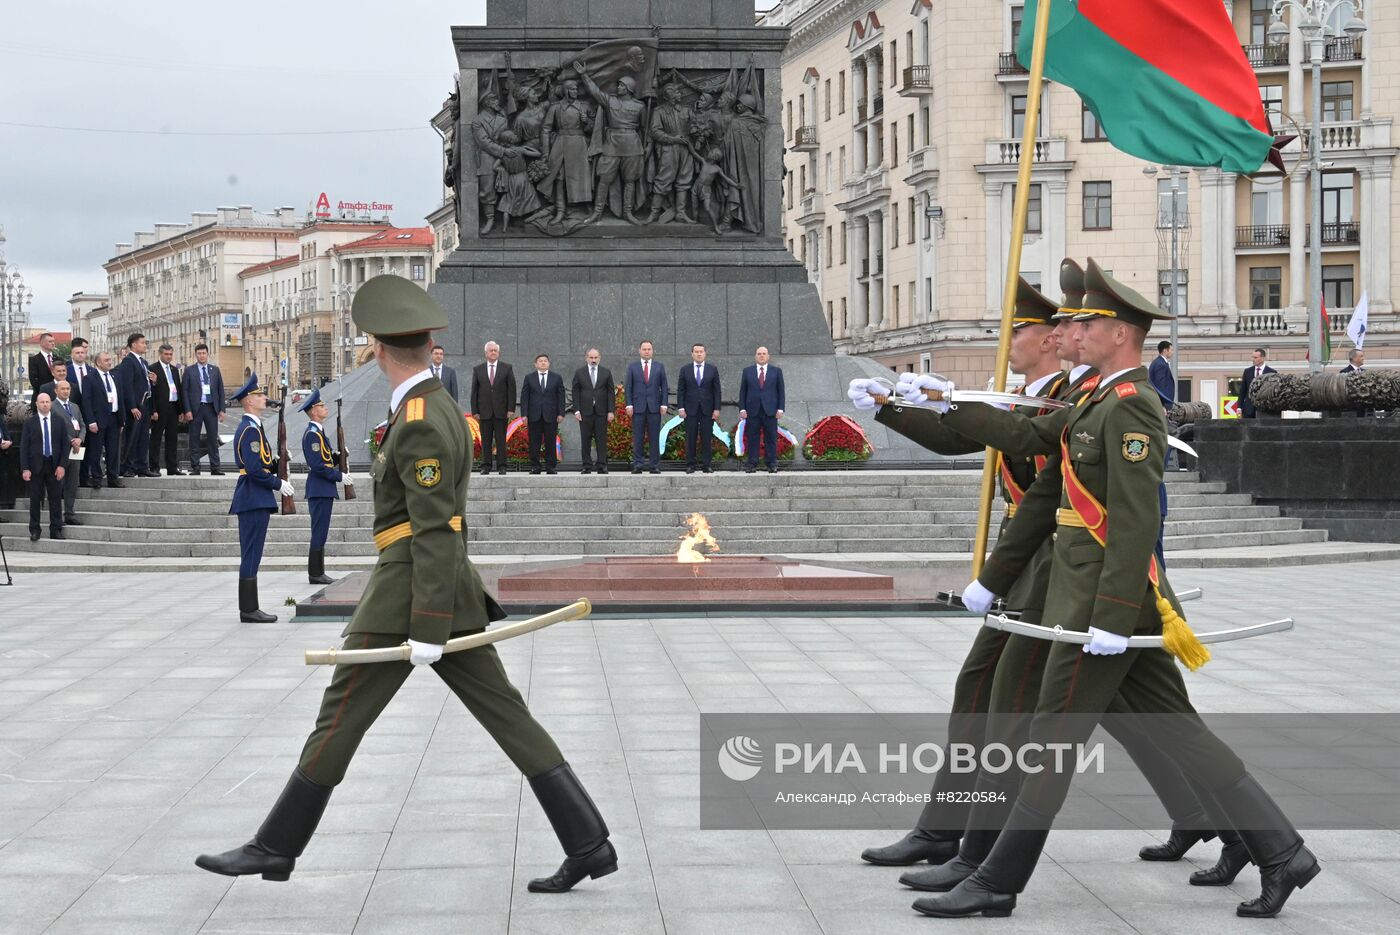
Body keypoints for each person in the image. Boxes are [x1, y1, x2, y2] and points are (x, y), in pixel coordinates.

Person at [909, 260, 1319, 920]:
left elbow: (1135, 520)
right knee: (1180, 734)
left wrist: (1113, 614)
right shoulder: (1096, 400)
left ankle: (996, 879)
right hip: (1093, 602)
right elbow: (1034, 456)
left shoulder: (1132, 409)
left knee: (1051, 741)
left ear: (1120, 333)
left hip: (1103, 608)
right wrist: (944, 402)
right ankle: (1280, 849)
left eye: (1086, 321)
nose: (1073, 329)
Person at [195, 274, 618, 894]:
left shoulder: (419, 418)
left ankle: (275, 845)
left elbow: (435, 527)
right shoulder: (433, 406)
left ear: (380, 350)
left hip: (409, 587)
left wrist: (424, 626)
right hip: (438, 584)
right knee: (505, 712)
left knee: (340, 711)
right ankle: (588, 843)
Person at [854, 266, 1225, 887]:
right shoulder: (1067, 395)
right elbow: (974, 438)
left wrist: (943, 403)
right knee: (1133, 708)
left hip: (1063, 572)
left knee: (1016, 702)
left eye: (1019, 329)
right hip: (1047, 571)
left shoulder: (1086, 399)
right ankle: (1217, 819)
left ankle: (971, 850)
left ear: (1051, 338)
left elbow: (1052, 464)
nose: (1010, 340)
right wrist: (901, 407)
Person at [228, 373, 289, 623]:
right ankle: (249, 609)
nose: (265, 398)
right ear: (249, 401)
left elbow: (261, 462)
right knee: (251, 553)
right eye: (260, 395)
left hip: (256, 496)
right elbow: (253, 470)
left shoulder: (254, 428)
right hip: (253, 496)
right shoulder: (250, 430)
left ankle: (250, 607)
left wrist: (278, 463)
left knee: (253, 553)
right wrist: (278, 483)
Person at [574, 61, 646, 225]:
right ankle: (597, 212)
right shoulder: (610, 101)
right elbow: (595, 91)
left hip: (632, 146)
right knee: (604, 179)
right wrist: (584, 74)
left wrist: (645, 146)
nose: (618, 88)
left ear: (628, 88)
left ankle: (628, 213)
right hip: (612, 145)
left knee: (630, 181)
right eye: (618, 85)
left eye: (621, 85)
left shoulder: (640, 106)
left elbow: (643, 127)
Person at [300, 388, 350, 585]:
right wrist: (339, 476)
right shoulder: (312, 435)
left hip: (324, 488)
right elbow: (318, 466)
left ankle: (318, 571)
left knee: (322, 530)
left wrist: (340, 456)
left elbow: (326, 459)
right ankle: (315, 573)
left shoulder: (319, 434)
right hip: (319, 488)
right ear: (313, 411)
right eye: (321, 405)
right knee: (319, 530)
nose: (325, 408)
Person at [20, 391, 69, 541]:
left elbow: (64, 446)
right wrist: (25, 468)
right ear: (36, 404)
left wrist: (62, 466)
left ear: (51, 403)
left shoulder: (59, 421)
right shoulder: (30, 423)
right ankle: (35, 530)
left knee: (55, 498)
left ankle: (56, 529)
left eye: (47, 402)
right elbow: (24, 447)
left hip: (53, 465)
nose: (45, 404)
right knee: (35, 499)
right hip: (36, 466)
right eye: (42, 402)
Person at [647, 82, 695, 224]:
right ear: (670, 95)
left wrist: (696, 130)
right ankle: (654, 213)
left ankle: (680, 213)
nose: (680, 94)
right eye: (677, 92)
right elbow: (655, 131)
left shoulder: (686, 110)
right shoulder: (659, 111)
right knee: (663, 179)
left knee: (684, 179)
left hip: (686, 147)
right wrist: (672, 139)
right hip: (669, 147)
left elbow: (696, 124)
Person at [470, 341, 516, 475]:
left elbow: (511, 390)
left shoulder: (507, 368)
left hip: (501, 411)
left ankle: (502, 466)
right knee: (486, 440)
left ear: (498, 353)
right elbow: (474, 391)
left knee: (501, 440)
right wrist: (475, 410)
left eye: (495, 350)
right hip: (484, 412)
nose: (493, 352)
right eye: (491, 350)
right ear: (486, 353)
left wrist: (511, 409)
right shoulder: (478, 369)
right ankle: (486, 465)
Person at [676, 343, 721, 474]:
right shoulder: (685, 369)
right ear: (692, 354)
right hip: (690, 409)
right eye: (696, 351)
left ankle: (706, 465)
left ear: (705, 353)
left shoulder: (712, 369)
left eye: (701, 351)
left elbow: (716, 390)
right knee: (691, 438)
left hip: (708, 409)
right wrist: (681, 408)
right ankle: (690, 465)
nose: (699, 354)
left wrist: (717, 408)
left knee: (706, 438)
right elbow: (681, 390)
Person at [624, 340, 668, 474]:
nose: (647, 351)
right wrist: (629, 404)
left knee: (654, 437)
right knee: (638, 437)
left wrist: (664, 404)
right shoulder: (633, 367)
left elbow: (664, 387)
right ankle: (638, 465)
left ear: (652, 351)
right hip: (638, 408)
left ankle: (654, 465)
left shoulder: (659, 367)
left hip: (654, 408)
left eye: (649, 349)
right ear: (639, 351)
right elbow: (629, 387)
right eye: (644, 349)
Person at [739, 346, 785, 473]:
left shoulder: (776, 371)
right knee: (752, 438)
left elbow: (781, 391)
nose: (761, 356)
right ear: (755, 356)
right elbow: (743, 391)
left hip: (770, 411)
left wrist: (780, 408)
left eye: (764, 354)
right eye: (759, 354)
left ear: (768, 356)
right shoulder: (747, 371)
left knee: (770, 438)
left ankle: (771, 463)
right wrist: (742, 408)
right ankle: (752, 463)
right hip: (752, 410)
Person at [182, 343, 226, 475]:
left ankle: (215, 468)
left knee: (213, 438)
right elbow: (184, 391)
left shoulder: (215, 370)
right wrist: (187, 410)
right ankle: (195, 467)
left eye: (204, 353)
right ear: (195, 355)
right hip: (196, 409)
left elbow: (220, 390)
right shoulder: (189, 371)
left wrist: (222, 410)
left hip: (211, 408)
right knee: (194, 438)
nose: (201, 356)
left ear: (208, 354)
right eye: (199, 353)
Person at [118, 332, 157, 477]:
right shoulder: (129, 361)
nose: (145, 345)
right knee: (132, 437)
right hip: (135, 406)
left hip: (145, 403)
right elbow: (126, 385)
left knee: (143, 437)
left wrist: (153, 381)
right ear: (133, 344)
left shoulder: (143, 362)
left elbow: (144, 383)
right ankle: (128, 466)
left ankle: (142, 466)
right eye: (142, 342)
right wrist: (132, 406)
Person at [519, 354, 566, 475]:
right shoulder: (529, 378)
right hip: (534, 415)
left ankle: (551, 467)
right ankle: (535, 466)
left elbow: (561, 396)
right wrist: (524, 414)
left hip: (551, 415)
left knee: (550, 441)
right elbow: (524, 397)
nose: (543, 363)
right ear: (536, 364)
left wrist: (561, 413)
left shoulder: (556, 378)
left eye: (545, 361)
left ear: (549, 363)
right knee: (534, 442)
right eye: (540, 361)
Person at [571, 348, 614, 475]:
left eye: (595, 358)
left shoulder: (606, 372)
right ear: (586, 358)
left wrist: (611, 410)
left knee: (601, 439)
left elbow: (611, 392)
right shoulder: (579, 373)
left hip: (601, 412)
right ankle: (586, 466)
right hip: (585, 412)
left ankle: (602, 465)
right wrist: (576, 410)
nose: (593, 360)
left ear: (599, 358)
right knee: (586, 439)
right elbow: (575, 392)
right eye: (591, 358)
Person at [51, 379, 86, 527]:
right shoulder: (52, 406)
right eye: (63, 389)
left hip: (76, 451)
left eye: (68, 389)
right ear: (56, 391)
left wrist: (80, 439)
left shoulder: (75, 407)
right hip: (61, 450)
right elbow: (54, 427)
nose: (66, 391)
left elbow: (82, 425)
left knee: (72, 482)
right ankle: (57, 515)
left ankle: (69, 513)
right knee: (59, 483)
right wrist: (72, 440)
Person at [148, 343, 187, 476]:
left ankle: (172, 467)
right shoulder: (153, 369)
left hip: (173, 408)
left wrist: (181, 410)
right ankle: (154, 467)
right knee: (156, 439)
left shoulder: (175, 370)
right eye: (166, 354)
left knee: (172, 439)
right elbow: (151, 392)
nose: (169, 356)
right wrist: (153, 410)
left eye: (171, 354)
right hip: (159, 410)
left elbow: (179, 390)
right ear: (160, 354)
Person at [67, 339, 99, 488]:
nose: (80, 355)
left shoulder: (92, 371)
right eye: (77, 353)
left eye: (82, 352)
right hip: (72, 413)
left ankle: (86, 477)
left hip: (89, 414)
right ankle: (74, 479)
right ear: (72, 355)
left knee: (90, 447)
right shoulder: (67, 370)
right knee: (74, 445)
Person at [90, 351, 125, 488]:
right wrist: (91, 421)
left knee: (113, 450)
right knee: (97, 450)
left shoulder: (115, 376)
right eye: (106, 360)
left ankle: (113, 478)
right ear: (98, 363)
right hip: (98, 420)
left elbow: (120, 398)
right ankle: (97, 478)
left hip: (114, 417)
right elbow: (87, 401)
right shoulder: (91, 378)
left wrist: (121, 419)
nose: (110, 362)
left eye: (110, 360)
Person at [1239, 347, 1276, 419]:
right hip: (1248, 410)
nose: (1253, 359)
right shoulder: (1247, 371)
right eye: (1252, 357)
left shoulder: (1272, 372)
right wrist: (1239, 407)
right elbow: (1242, 391)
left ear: (1262, 358)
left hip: (1265, 410)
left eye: (1255, 357)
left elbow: (1273, 393)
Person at [27, 332, 57, 410]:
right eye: (50, 341)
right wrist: (47, 392)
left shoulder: (58, 359)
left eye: (53, 341)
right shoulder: (34, 360)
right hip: (40, 399)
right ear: (42, 343)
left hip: (57, 400)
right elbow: (34, 381)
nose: (53, 343)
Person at [1339, 348, 1372, 417]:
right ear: (1354, 358)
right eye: (1361, 356)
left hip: (1365, 410)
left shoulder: (1366, 372)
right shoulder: (1344, 372)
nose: (1363, 358)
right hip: (1351, 411)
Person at [1149, 340, 1174, 406]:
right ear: (1165, 350)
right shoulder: (1161, 364)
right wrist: (1162, 405)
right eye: (1171, 350)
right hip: (1161, 405)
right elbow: (1160, 386)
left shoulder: (1157, 362)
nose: (1172, 352)